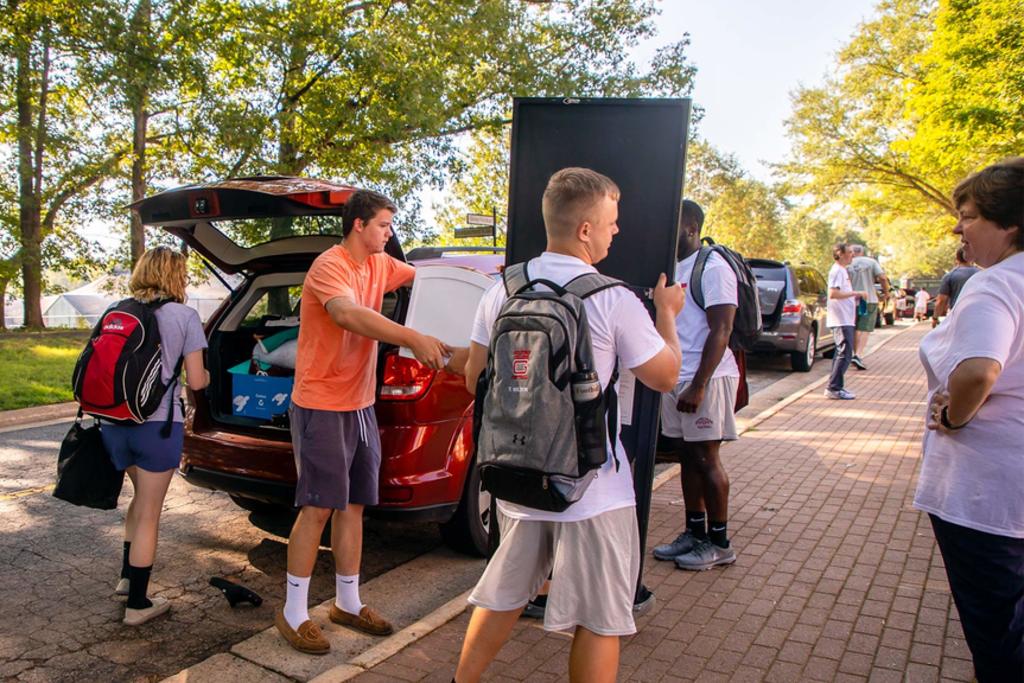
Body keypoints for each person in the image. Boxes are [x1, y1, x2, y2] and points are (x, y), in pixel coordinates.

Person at [454, 168, 684, 683]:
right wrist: (667, 315)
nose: (615, 231)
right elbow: (664, 376)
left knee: (503, 597)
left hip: (518, 478)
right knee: (601, 620)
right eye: (611, 221)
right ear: (585, 229)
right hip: (593, 489)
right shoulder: (613, 297)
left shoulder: (503, 288)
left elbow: (476, 378)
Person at [276, 190, 453, 655]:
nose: (390, 234)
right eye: (383, 225)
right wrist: (411, 336)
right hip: (320, 404)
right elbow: (348, 314)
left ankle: (347, 603)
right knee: (317, 507)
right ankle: (294, 612)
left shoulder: (381, 265)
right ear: (358, 225)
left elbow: (432, 279)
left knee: (353, 505)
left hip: (359, 406)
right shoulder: (330, 266)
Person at [915, 157, 1024, 682]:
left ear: (1011, 225)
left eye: (969, 216)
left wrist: (955, 418)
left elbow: (978, 369)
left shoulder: (995, 285)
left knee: (997, 638)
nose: (959, 227)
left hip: (988, 500)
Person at [102, 246, 209, 626]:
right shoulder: (185, 316)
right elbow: (196, 380)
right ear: (175, 276)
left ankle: (126, 578)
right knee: (150, 512)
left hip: (113, 424)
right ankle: (138, 604)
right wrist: (208, 377)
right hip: (157, 426)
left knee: (137, 500)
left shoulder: (117, 311)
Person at [653, 200, 740, 571]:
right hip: (678, 375)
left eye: (670, 225)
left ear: (690, 226)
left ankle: (719, 542)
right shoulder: (672, 268)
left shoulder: (713, 267)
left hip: (707, 377)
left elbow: (722, 329)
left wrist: (700, 385)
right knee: (688, 457)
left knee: (707, 457)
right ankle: (695, 532)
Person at [824, 243, 866, 400]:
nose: (852, 255)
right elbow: (833, 293)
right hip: (840, 318)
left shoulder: (842, 271)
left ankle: (835, 386)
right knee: (845, 352)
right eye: (849, 252)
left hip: (846, 317)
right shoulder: (836, 271)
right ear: (840, 254)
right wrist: (856, 293)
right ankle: (834, 387)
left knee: (843, 352)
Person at [846, 244, 890, 370]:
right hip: (868, 299)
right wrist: (886, 292)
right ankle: (858, 355)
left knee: (855, 327)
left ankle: (855, 354)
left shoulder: (847, 264)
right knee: (864, 328)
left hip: (852, 300)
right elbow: (882, 277)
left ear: (852, 252)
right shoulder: (871, 262)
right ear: (863, 252)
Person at [932, 247, 980, 327]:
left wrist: (935, 318)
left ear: (957, 259)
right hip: (979, 315)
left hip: (958, 317)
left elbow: (941, 301)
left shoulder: (950, 276)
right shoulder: (981, 274)